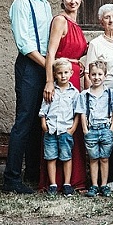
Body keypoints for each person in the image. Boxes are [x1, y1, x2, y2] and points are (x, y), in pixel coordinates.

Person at [3, 0, 52, 194]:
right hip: (30, 65)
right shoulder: (21, 3)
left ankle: (32, 173)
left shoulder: (46, 4)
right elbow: (25, 44)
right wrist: (49, 68)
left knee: (37, 122)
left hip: (44, 64)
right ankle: (11, 179)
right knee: (23, 121)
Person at [40, 0, 88, 192]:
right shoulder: (60, 21)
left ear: (81, 0)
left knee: (72, 129)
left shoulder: (76, 24)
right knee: (57, 127)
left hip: (75, 77)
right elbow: (51, 52)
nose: (73, 2)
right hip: (61, 77)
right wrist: (50, 81)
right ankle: (55, 182)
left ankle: (73, 180)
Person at [84, 4, 113, 183]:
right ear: (101, 21)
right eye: (107, 17)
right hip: (104, 95)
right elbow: (89, 72)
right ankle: (105, 178)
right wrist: (91, 97)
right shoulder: (96, 44)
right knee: (105, 133)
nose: (111, 20)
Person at [76, 60, 113, 197]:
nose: (96, 77)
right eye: (93, 74)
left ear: (105, 76)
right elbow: (82, 112)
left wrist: (112, 127)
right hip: (91, 130)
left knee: (105, 158)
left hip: (106, 129)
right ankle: (94, 185)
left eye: (100, 74)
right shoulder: (85, 95)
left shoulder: (110, 93)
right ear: (89, 76)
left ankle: (104, 185)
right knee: (93, 158)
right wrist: (85, 129)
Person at [39, 58, 80, 196]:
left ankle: (67, 184)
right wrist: (44, 124)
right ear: (55, 74)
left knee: (66, 157)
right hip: (51, 129)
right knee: (51, 157)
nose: (63, 76)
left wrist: (73, 129)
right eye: (60, 73)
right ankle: (52, 184)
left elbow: (77, 112)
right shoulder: (51, 91)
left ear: (71, 73)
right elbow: (43, 109)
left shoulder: (74, 93)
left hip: (65, 130)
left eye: (66, 72)